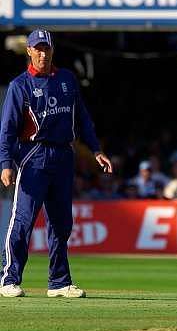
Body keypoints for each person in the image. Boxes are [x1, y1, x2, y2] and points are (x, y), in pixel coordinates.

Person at [0, 29, 112, 298]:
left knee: (61, 224)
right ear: (28, 51)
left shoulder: (67, 79)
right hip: (33, 155)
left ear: (52, 50)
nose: (42, 53)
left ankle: (59, 281)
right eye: (37, 49)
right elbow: (7, 129)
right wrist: (6, 163)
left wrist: (96, 149)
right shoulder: (20, 86)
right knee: (23, 220)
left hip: (63, 155)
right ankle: (9, 278)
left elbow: (82, 118)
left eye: (46, 48)